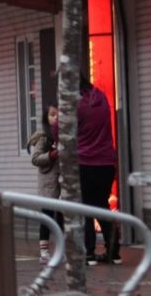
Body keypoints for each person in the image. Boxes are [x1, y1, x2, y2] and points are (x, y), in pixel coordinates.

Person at [77, 77, 120, 266]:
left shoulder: (73, 103)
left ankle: (89, 253)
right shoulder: (102, 97)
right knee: (102, 205)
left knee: (85, 208)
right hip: (106, 162)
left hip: (85, 162)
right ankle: (114, 252)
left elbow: (59, 130)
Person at [27, 104, 62, 264]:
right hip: (48, 185)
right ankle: (44, 252)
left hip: (62, 185)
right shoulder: (44, 138)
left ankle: (63, 249)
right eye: (52, 115)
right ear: (46, 119)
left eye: (58, 114)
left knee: (61, 218)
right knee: (47, 218)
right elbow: (35, 159)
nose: (56, 117)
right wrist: (52, 154)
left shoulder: (64, 136)